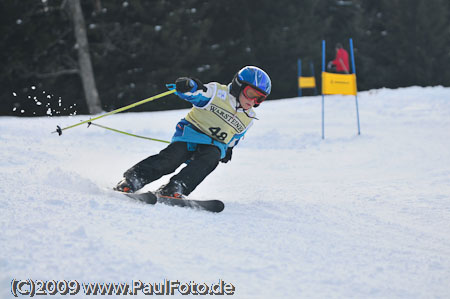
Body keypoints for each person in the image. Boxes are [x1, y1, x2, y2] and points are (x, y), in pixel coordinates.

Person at [114, 66, 272, 198]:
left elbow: (235, 136)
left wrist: (229, 148)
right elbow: (197, 94)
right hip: (190, 135)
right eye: (251, 94)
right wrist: (189, 86)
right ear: (238, 85)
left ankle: (177, 187)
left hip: (213, 145)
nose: (252, 101)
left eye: (259, 99)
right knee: (171, 159)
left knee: (212, 158)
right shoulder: (217, 93)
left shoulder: (249, 117)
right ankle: (134, 179)